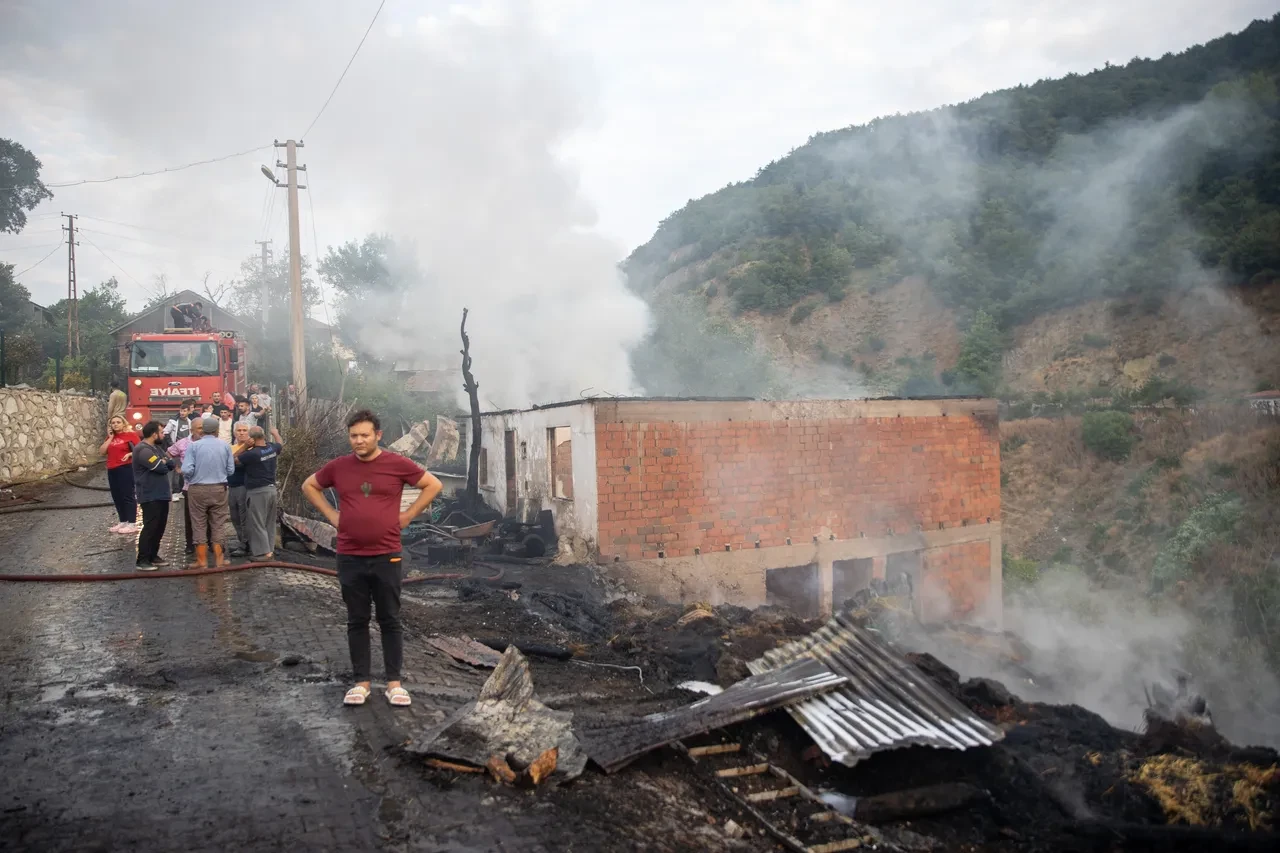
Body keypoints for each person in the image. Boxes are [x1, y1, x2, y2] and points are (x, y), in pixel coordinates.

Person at [302, 409, 442, 708]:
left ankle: (394, 684)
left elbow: (433, 485)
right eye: (353, 435)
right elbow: (309, 485)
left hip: (387, 554)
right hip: (350, 555)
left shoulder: (396, 464)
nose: (358, 441)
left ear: (378, 435)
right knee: (357, 619)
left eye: (365, 435)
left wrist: (408, 516)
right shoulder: (339, 467)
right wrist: (331, 515)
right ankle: (361, 683)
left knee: (390, 618)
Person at [181, 416, 235, 569]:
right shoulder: (225, 446)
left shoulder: (194, 446)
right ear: (217, 430)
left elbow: (186, 469)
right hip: (219, 489)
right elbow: (231, 470)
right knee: (218, 524)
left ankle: (202, 561)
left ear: (203, 430)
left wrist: (192, 476)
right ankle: (219, 560)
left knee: (198, 524)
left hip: (197, 489)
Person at [132, 421, 175, 570]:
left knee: (160, 527)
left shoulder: (156, 448)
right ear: (154, 434)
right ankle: (142, 560)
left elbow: (171, 464)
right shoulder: (143, 450)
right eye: (161, 433)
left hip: (162, 495)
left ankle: (153, 555)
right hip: (150, 495)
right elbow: (161, 468)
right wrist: (163, 463)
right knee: (150, 527)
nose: (163, 435)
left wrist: (163, 462)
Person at [239, 425, 283, 560]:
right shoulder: (271, 448)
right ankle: (270, 549)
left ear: (251, 438)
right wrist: (275, 433)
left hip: (257, 491)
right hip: (271, 489)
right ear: (264, 436)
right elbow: (280, 444)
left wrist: (244, 447)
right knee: (269, 522)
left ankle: (264, 553)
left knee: (257, 522)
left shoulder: (251, 454)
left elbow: (233, 460)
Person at [100, 415, 139, 534]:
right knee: (117, 496)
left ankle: (132, 523)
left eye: (118, 422)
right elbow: (102, 452)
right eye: (113, 423)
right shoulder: (110, 437)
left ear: (123, 423)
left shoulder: (130, 435)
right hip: (112, 468)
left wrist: (130, 454)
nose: (115, 424)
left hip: (125, 467)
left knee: (128, 495)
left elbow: (141, 449)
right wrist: (110, 438)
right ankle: (123, 520)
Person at [227, 421, 253, 557]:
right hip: (231, 486)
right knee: (234, 517)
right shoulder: (231, 448)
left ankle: (246, 545)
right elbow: (227, 462)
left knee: (244, 517)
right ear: (234, 432)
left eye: (244, 430)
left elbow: (235, 461)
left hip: (244, 486)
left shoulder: (252, 449)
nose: (242, 433)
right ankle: (241, 541)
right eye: (239, 430)